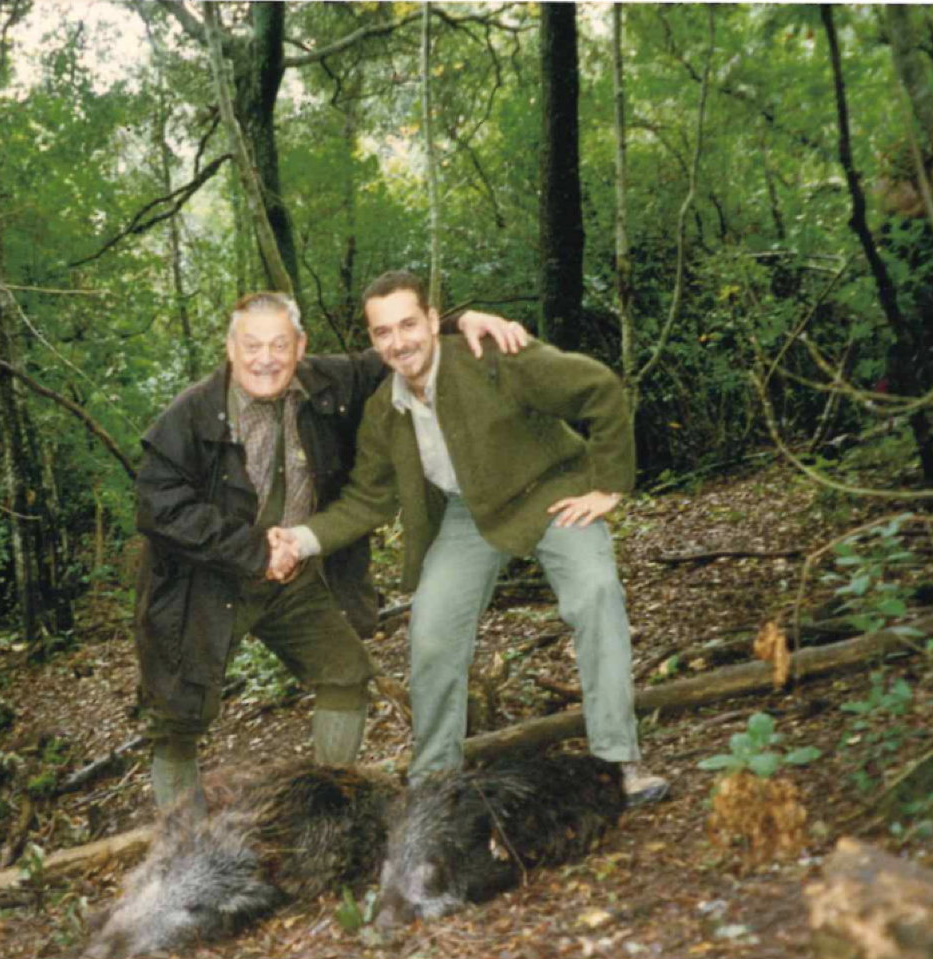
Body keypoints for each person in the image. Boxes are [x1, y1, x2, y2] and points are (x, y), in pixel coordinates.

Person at [272, 270, 669, 805]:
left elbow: (597, 388)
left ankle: (619, 760)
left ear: (434, 321)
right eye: (383, 332)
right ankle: (434, 784)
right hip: (469, 515)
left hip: (551, 492)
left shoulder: (490, 357)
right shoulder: (384, 411)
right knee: (431, 631)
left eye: (409, 324)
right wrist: (300, 540)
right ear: (372, 340)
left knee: (595, 594)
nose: (399, 342)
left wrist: (609, 486)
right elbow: (366, 499)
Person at [133, 290, 528, 809]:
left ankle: (324, 810)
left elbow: (391, 353)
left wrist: (459, 322)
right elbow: (158, 507)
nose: (266, 359)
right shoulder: (190, 416)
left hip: (291, 578)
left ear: (300, 346)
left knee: (345, 673)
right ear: (230, 349)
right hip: (204, 581)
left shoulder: (328, 384)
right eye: (252, 346)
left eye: (280, 344)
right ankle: (183, 837)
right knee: (176, 719)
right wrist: (253, 550)